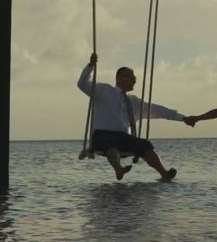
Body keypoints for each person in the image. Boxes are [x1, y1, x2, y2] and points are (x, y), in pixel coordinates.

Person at [78, 53, 183, 181]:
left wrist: (182, 118)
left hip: (124, 138)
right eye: (130, 76)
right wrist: (90, 66)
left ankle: (163, 173)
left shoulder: (133, 101)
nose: (134, 80)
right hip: (102, 135)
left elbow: (157, 110)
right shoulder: (104, 90)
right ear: (119, 79)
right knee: (111, 144)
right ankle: (119, 169)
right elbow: (82, 84)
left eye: (134, 77)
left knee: (145, 145)